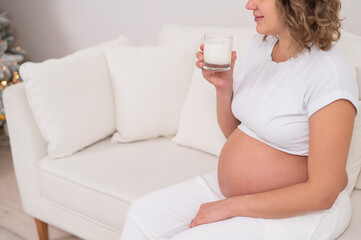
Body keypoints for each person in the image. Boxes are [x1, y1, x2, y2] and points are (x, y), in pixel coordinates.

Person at [120, 0, 359, 239]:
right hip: (242, 196)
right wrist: (224, 87)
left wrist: (229, 207)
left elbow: (322, 194)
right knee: (142, 215)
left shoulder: (329, 73)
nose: (249, 4)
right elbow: (238, 135)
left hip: (305, 210)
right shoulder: (261, 46)